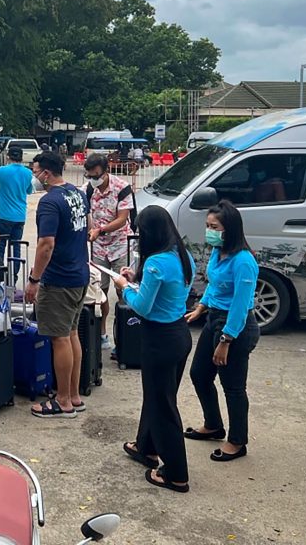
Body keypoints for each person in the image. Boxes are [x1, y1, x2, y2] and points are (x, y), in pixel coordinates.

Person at [113, 205, 195, 493]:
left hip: (159, 339)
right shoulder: (181, 255)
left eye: (140, 233)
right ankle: (146, 446)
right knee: (158, 396)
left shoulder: (156, 262)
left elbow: (143, 308)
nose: (138, 237)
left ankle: (176, 473)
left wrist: (124, 286)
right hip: (179, 334)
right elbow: (167, 292)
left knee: (163, 407)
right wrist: (137, 281)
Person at [184, 200, 260, 462]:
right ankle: (214, 424)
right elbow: (216, 286)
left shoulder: (244, 262)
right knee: (199, 374)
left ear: (230, 229)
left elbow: (240, 304)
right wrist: (201, 307)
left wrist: (226, 340)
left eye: (214, 226)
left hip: (235, 327)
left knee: (233, 387)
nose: (209, 231)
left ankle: (238, 441)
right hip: (214, 319)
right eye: (207, 226)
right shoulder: (218, 252)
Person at [25, 151, 88, 418]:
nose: (34, 176)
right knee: (71, 335)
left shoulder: (50, 202)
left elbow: (46, 244)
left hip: (59, 280)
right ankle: (73, 396)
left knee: (59, 338)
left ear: (46, 173)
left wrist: (34, 280)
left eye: (35, 171)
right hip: (79, 275)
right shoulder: (77, 194)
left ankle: (62, 400)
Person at [84, 153, 134, 353]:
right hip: (98, 247)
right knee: (100, 292)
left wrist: (100, 230)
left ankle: (124, 337)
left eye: (96, 175)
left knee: (124, 291)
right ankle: (102, 333)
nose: (93, 179)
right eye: (89, 175)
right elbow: (87, 214)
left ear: (106, 172)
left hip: (120, 245)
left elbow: (123, 218)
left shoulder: (122, 188)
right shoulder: (88, 189)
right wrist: (91, 231)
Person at [0, 144, 34, 271]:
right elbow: (29, 190)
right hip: (20, 217)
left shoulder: (3, 170)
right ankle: (13, 279)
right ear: (21, 157)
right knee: (16, 247)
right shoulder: (28, 172)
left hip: (4, 216)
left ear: (8, 157)